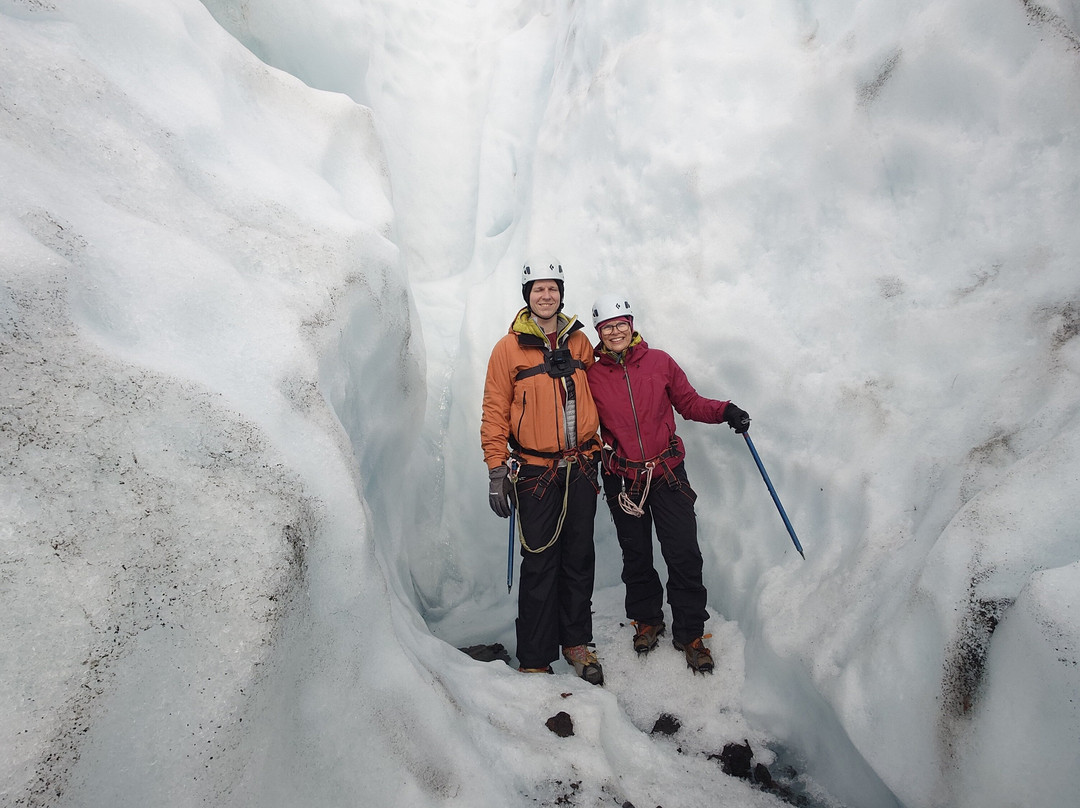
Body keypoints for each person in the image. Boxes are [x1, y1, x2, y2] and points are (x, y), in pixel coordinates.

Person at [586, 292, 750, 674]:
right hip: (623, 479)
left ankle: (690, 633)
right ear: (598, 332)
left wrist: (725, 410)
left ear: (631, 325)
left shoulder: (659, 362)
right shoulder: (592, 376)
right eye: (607, 327)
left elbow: (689, 403)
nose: (614, 332)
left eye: (620, 324)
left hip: (667, 474)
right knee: (637, 556)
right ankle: (648, 620)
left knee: (684, 554)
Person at [481, 258, 604, 684]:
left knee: (578, 558)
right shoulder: (508, 348)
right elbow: (495, 410)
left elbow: (606, 392)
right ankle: (534, 655)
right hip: (535, 472)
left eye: (553, 288)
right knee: (539, 563)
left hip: (583, 466)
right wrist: (497, 469)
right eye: (538, 289)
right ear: (527, 296)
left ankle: (575, 643)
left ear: (562, 294)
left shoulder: (581, 344)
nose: (546, 295)